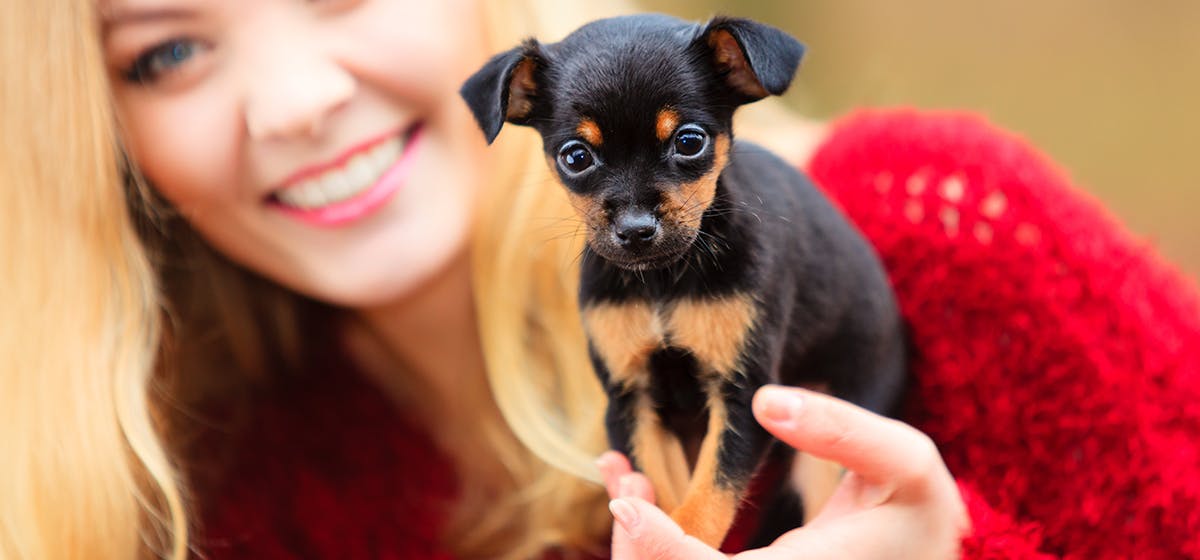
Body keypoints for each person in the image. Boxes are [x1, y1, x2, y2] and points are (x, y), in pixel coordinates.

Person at [2, 1, 1197, 559]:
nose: (296, 101)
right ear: (94, 131)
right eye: (168, 50)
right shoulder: (196, 485)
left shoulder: (946, 228)